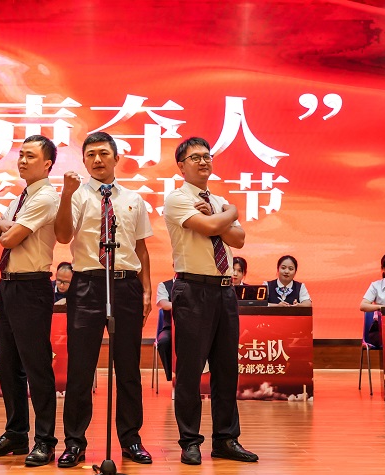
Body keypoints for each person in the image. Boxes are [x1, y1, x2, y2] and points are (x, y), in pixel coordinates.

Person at [55, 131, 153, 468]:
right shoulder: (77, 195)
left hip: (126, 285)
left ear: (116, 158)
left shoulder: (134, 199)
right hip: (87, 285)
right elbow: (63, 236)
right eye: (90, 154)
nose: (97, 159)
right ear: (84, 161)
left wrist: (146, 289)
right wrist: (66, 195)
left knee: (128, 367)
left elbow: (141, 248)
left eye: (103, 153)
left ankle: (131, 439)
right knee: (80, 369)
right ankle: (74, 442)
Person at [164, 137, 258, 466]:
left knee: (226, 369)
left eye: (207, 156)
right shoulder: (177, 198)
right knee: (190, 370)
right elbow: (209, 226)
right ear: (181, 165)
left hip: (224, 290)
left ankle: (226, 439)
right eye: (195, 158)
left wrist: (221, 214)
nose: (203, 162)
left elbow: (238, 239)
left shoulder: (216, 200)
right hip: (192, 289)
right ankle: (190, 441)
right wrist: (230, 212)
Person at [0, 135, 60, 467]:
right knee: (9, 365)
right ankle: (15, 434)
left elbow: (8, 238)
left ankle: (45, 440)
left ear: (48, 164)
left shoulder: (47, 197)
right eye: (21, 155)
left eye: (30, 156)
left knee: (36, 366)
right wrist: (2, 224)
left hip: (32, 287)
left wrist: (4, 228)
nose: (22, 161)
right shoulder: (19, 199)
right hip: (8, 286)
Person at [155, 277, 174, 381]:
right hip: (170, 327)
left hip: (192, 327)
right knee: (164, 342)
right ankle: (171, 375)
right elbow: (164, 304)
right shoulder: (164, 285)